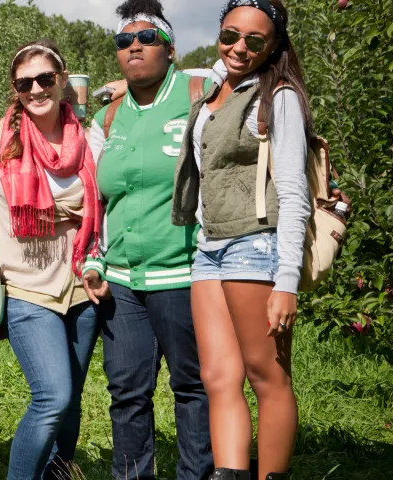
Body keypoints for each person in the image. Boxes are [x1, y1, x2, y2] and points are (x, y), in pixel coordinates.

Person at [171, 1, 311, 478]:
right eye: (231, 35)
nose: (239, 48)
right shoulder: (216, 90)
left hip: (257, 247)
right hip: (209, 249)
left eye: (255, 41)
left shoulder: (279, 97)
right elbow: (198, 67)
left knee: (266, 376)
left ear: (273, 47)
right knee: (217, 378)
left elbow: (295, 193)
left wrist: (286, 280)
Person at [81, 0, 214, 478]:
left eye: (147, 38)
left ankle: (196, 474)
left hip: (184, 273)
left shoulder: (200, 96)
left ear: (170, 48)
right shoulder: (107, 119)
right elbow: (96, 205)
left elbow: (239, 63)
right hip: (122, 282)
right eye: (123, 41)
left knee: (193, 386)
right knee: (127, 391)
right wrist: (93, 260)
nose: (134, 46)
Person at [0, 40, 102, 480]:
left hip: (82, 281)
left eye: (45, 78)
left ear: (62, 79)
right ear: (15, 89)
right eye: (24, 82)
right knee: (52, 395)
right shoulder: (0, 134)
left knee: (72, 396)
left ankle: (56, 472)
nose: (35, 89)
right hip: (27, 284)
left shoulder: (90, 136)